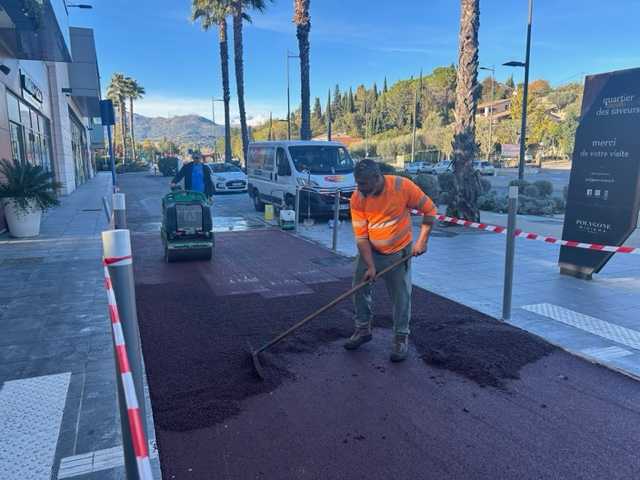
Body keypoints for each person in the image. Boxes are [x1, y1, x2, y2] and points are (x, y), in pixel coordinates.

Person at [345, 159, 437, 362]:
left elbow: (430, 210)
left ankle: (400, 338)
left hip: (398, 252)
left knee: (401, 296)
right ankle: (363, 329)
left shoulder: (402, 186)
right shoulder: (358, 197)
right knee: (358, 287)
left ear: (377, 178)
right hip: (370, 250)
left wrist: (422, 241)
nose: (360, 188)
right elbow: (361, 237)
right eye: (358, 183)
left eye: (364, 184)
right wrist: (370, 266)